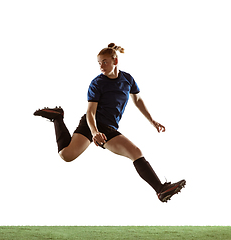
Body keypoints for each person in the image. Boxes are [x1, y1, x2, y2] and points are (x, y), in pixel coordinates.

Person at [34, 43, 185, 203]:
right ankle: (58, 117)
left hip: (110, 128)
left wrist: (152, 121)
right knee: (66, 155)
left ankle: (160, 190)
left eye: (105, 62)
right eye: (99, 63)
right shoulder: (97, 83)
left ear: (115, 61)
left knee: (135, 152)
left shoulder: (127, 79)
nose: (101, 66)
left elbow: (138, 100)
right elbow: (90, 112)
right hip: (91, 124)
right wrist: (94, 132)